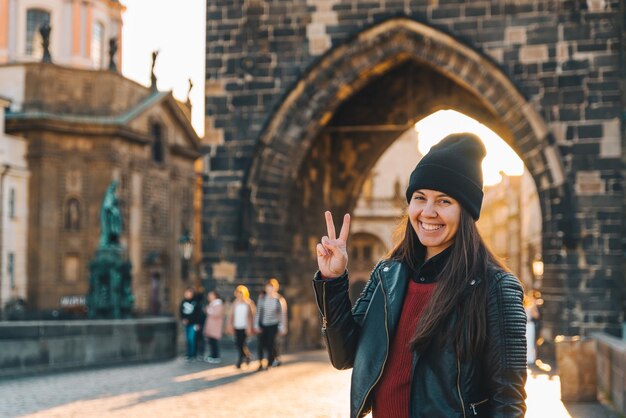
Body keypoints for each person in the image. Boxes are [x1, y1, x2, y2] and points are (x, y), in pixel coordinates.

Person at [312, 133, 527, 418]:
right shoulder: (387, 274)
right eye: (420, 198)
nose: (428, 212)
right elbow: (345, 356)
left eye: (444, 201)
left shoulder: (495, 286)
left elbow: (508, 400)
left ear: (466, 211)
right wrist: (333, 281)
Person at [254, 278, 288, 370]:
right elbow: (258, 312)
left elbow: (282, 314)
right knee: (261, 344)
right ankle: (260, 362)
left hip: (273, 325)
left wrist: (282, 326)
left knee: (270, 344)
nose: (269, 289)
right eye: (268, 287)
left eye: (271, 287)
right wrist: (256, 325)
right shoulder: (262, 299)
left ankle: (269, 363)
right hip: (263, 324)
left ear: (275, 288)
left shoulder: (278, 299)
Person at [226, 285, 256, 368]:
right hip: (237, 326)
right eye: (238, 293)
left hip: (245, 327)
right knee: (238, 344)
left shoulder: (249, 303)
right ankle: (247, 356)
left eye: (241, 293)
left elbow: (252, 316)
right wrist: (229, 325)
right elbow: (231, 316)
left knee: (242, 343)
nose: (239, 295)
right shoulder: (235, 303)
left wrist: (250, 327)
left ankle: (240, 361)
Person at [179, 288, 202, 362]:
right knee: (188, 339)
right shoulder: (183, 302)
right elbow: (181, 312)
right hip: (186, 324)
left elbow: (198, 314)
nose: (188, 295)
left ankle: (193, 355)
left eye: (189, 293)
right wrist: (183, 319)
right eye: (187, 293)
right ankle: (188, 354)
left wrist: (198, 323)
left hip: (193, 324)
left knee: (192, 339)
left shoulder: (195, 302)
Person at [203, 290, 224, 363]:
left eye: (211, 295)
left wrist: (208, 310)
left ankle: (216, 357)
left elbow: (216, 314)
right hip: (211, 326)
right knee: (211, 342)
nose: (209, 297)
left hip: (215, 327)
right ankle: (212, 355)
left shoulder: (218, 304)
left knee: (214, 343)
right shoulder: (212, 304)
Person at [524, 293, 540, 367]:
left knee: (530, 341)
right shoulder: (524, 304)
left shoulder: (532, 306)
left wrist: (534, 306)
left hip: (529, 325)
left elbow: (536, 316)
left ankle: (530, 358)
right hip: (525, 324)